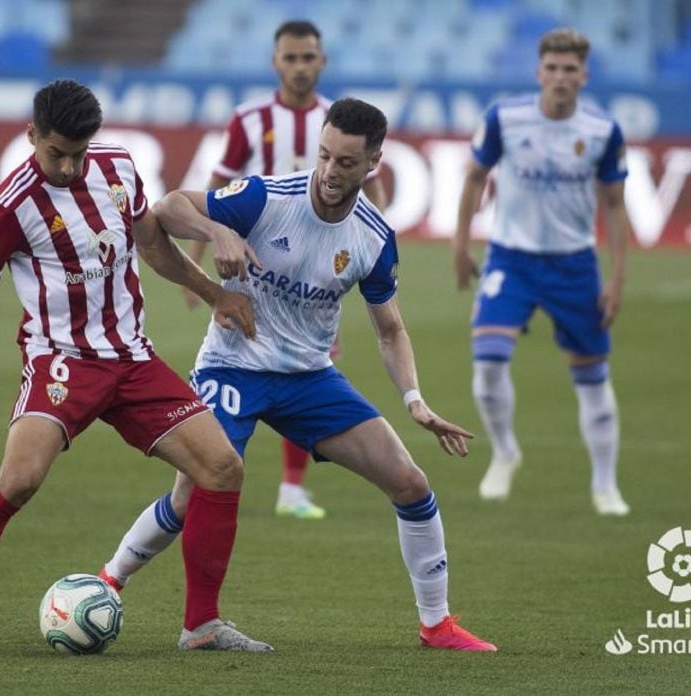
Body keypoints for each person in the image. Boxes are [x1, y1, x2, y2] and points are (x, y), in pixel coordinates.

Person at [0, 79, 274, 652]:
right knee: (20, 479)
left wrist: (212, 292)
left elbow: (152, 244)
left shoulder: (119, 169)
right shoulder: (10, 205)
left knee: (223, 467)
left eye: (79, 153)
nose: (70, 166)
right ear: (31, 136)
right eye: (57, 153)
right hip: (62, 362)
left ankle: (201, 625)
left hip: (132, 359)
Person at [100, 98, 496, 652]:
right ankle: (121, 585)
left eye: (347, 163)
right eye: (325, 156)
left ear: (374, 163)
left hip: (309, 377)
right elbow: (165, 208)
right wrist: (217, 231)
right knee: (194, 493)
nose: (331, 173)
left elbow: (390, 330)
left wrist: (414, 399)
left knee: (410, 483)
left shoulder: (372, 238)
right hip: (233, 364)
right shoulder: (267, 197)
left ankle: (437, 626)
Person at [185, 19, 388, 520]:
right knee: (271, 364)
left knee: (306, 361)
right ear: (276, 62)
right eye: (290, 58)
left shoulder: (338, 120)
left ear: (322, 62)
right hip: (263, 256)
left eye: (308, 58)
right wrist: (197, 266)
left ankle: (292, 487)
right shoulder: (250, 120)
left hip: (319, 265)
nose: (300, 67)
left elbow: (371, 192)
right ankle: (241, 487)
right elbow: (216, 185)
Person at [452, 28, 632, 516]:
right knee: (487, 364)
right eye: (551, 68)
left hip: (575, 265)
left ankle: (604, 486)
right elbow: (473, 178)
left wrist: (616, 278)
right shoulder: (505, 119)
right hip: (510, 258)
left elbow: (615, 205)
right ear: (538, 72)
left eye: (569, 69)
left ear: (584, 75)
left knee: (592, 378)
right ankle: (505, 452)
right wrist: (461, 243)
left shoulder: (602, 130)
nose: (559, 77)